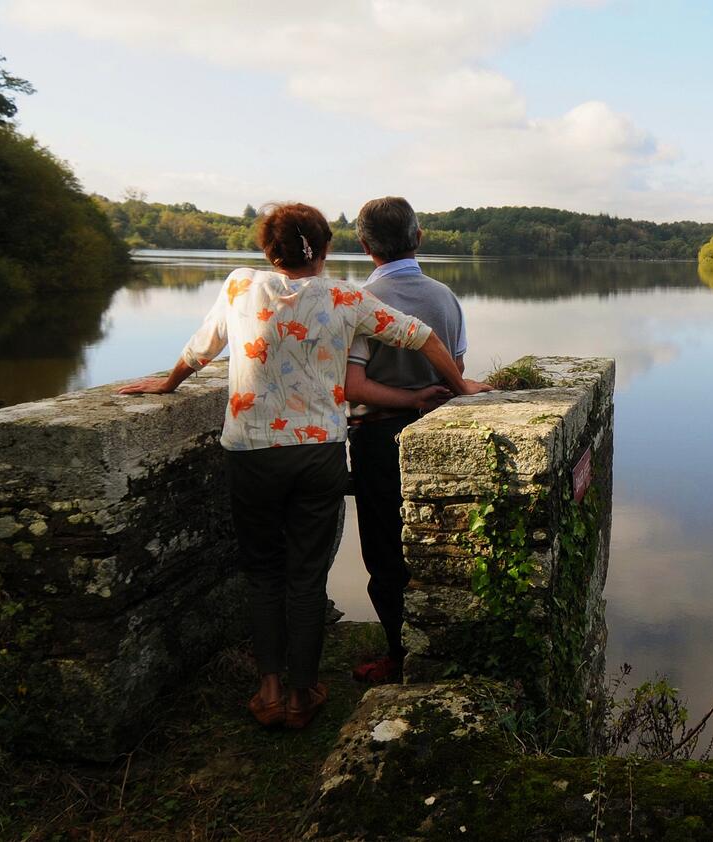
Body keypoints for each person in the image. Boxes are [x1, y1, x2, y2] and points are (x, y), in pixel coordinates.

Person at [117, 202, 486, 730]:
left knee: (264, 573)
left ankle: (268, 690)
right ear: (328, 249)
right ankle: (302, 693)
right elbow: (424, 336)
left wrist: (168, 384)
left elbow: (201, 350)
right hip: (317, 455)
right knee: (307, 576)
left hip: (251, 451)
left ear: (268, 252)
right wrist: (461, 386)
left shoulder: (241, 286)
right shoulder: (344, 297)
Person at [340, 196, 471, 685]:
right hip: (439, 434)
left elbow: (353, 387)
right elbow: (456, 372)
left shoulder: (358, 305)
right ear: (418, 237)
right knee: (443, 548)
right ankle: (442, 649)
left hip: (377, 438)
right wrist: (423, 398)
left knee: (384, 553)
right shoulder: (445, 298)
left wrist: (404, 400)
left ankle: (398, 656)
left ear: (364, 246)